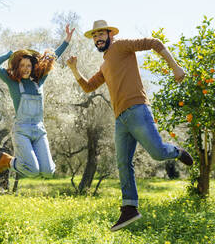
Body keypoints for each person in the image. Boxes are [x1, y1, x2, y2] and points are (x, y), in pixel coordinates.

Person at [66, 19, 193, 232]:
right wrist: (74, 69)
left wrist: (175, 67)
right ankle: (129, 207)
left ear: (110, 35)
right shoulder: (105, 64)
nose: (97, 38)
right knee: (123, 163)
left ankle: (176, 151)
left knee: (158, 153)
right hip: (120, 119)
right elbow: (89, 87)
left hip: (137, 109)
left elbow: (154, 42)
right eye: (94, 36)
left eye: (101, 34)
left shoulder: (121, 46)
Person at [0, 25, 74, 179]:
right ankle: (7, 161)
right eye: (22, 65)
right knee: (33, 171)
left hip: (39, 130)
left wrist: (66, 41)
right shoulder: (13, 83)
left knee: (48, 172)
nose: (25, 68)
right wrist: (10, 54)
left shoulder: (39, 81)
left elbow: (53, 57)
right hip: (21, 131)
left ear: (33, 66)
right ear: (17, 67)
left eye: (28, 65)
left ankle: (11, 162)